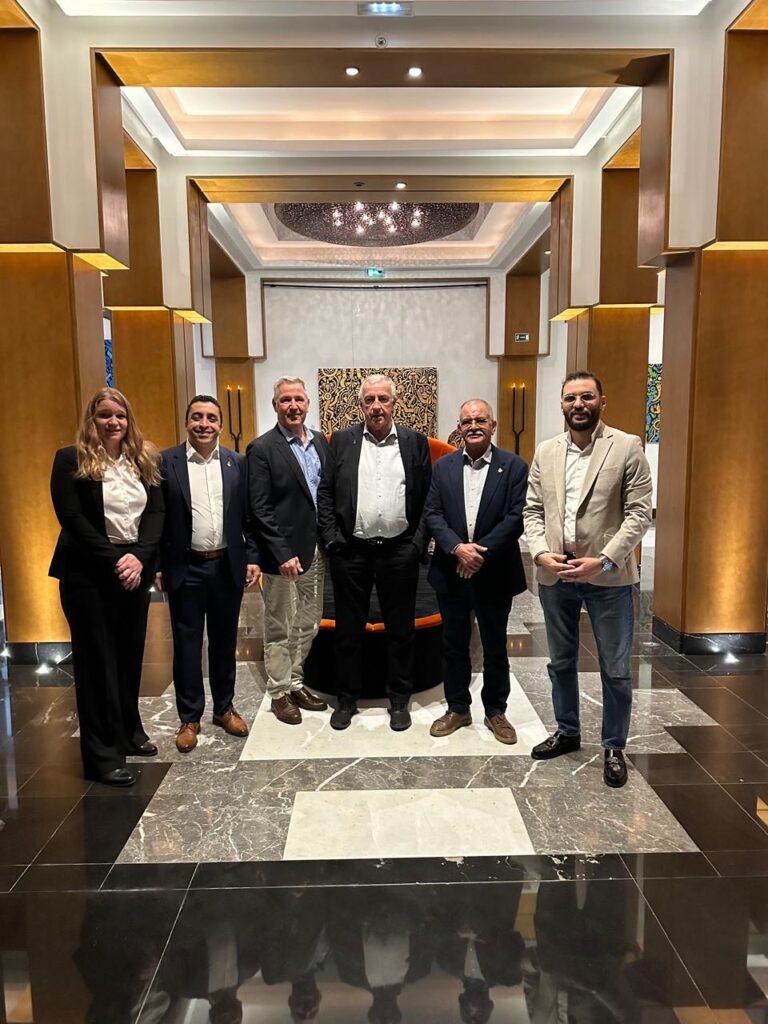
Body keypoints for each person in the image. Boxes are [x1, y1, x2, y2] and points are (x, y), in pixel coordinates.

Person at [523, 370, 652, 788]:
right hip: (556, 575)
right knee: (560, 661)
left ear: (601, 401)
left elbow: (639, 513)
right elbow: (533, 510)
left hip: (608, 579)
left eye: (586, 397)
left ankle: (614, 746)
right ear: (561, 404)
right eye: (570, 398)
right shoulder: (546, 451)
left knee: (615, 667)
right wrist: (540, 553)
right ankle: (567, 731)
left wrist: (605, 560)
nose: (578, 404)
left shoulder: (626, 446)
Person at [49, 387, 164, 787]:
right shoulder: (71, 459)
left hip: (134, 571)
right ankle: (101, 756)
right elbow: (72, 519)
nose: (113, 422)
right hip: (89, 575)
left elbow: (156, 512)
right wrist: (117, 560)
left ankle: (128, 731)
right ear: (91, 420)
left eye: (120, 415)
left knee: (129, 656)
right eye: (105, 415)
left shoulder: (143, 459)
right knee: (97, 664)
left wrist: (140, 556)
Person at [317, 374, 431, 731]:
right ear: (361, 405)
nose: (376, 406)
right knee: (348, 631)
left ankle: (399, 700)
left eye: (383, 399)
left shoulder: (414, 442)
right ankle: (346, 699)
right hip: (351, 552)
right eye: (370, 400)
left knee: (401, 631)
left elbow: (427, 496)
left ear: (394, 403)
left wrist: (416, 545)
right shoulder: (342, 441)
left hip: (399, 551)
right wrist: (333, 540)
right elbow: (325, 493)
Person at [157, 394, 260, 753]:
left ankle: (224, 708)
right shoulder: (165, 462)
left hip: (226, 565)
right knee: (187, 644)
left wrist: (252, 557)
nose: (204, 424)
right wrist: (157, 564)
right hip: (185, 567)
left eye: (211, 418)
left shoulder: (237, 463)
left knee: (224, 640)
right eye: (197, 417)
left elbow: (248, 516)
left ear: (220, 425)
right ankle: (189, 717)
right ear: (187, 422)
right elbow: (156, 516)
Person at [424, 399, 528, 745]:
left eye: (480, 420)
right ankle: (458, 708)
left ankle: (496, 711)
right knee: (454, 644)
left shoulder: (513, 466)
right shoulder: (444, 467)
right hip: (451, 571)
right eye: (467, 421)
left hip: (494, 572)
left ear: (492, 425)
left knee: (495, 645)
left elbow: (516, 517)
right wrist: (458, 548)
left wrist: (478, 553)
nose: (473, 426)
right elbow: (433, 513)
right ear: (459, 427)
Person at [246, 377, 330, 725]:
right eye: (285, 400)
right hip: (281, 556)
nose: (293, 406)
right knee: (280, 624)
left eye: (298, 399)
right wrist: (281, 552)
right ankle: (280, 691)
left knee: (309, 622)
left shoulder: (321, 442)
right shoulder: (262, 448)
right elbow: (259, 508)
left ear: (308, 404)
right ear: (275, 405)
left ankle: (296, 681)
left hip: (315, 550)